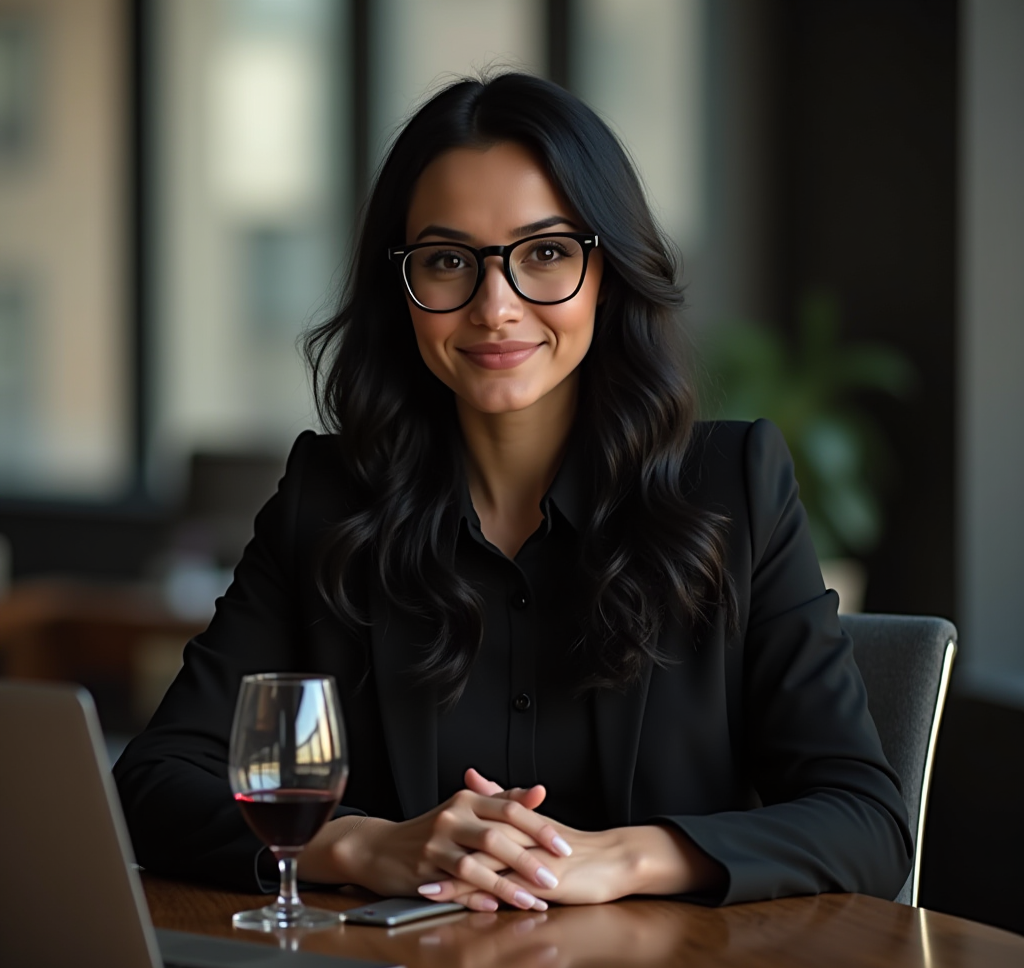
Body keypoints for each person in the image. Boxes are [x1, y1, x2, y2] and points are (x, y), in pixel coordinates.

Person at [114, 73, 912, 913]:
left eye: (546, 253)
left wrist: (626, 859)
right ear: (404, 285)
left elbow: (865, 819)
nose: (496, 307)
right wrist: (366, 842)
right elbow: (155, 783)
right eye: (449, 261)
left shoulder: (734, 488)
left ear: (608, 271)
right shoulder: (330, 500)